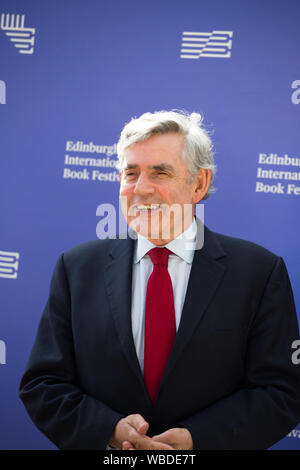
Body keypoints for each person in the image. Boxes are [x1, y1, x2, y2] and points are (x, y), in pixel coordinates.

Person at [19, 110, 300, 450]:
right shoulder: (76, 268)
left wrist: (197, 440)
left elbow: (282, 391)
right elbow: (43, 384)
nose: (141, 188)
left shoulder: (259, 272)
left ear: (199, 183)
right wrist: (110, 431)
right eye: (130, 173)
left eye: (160, 173)